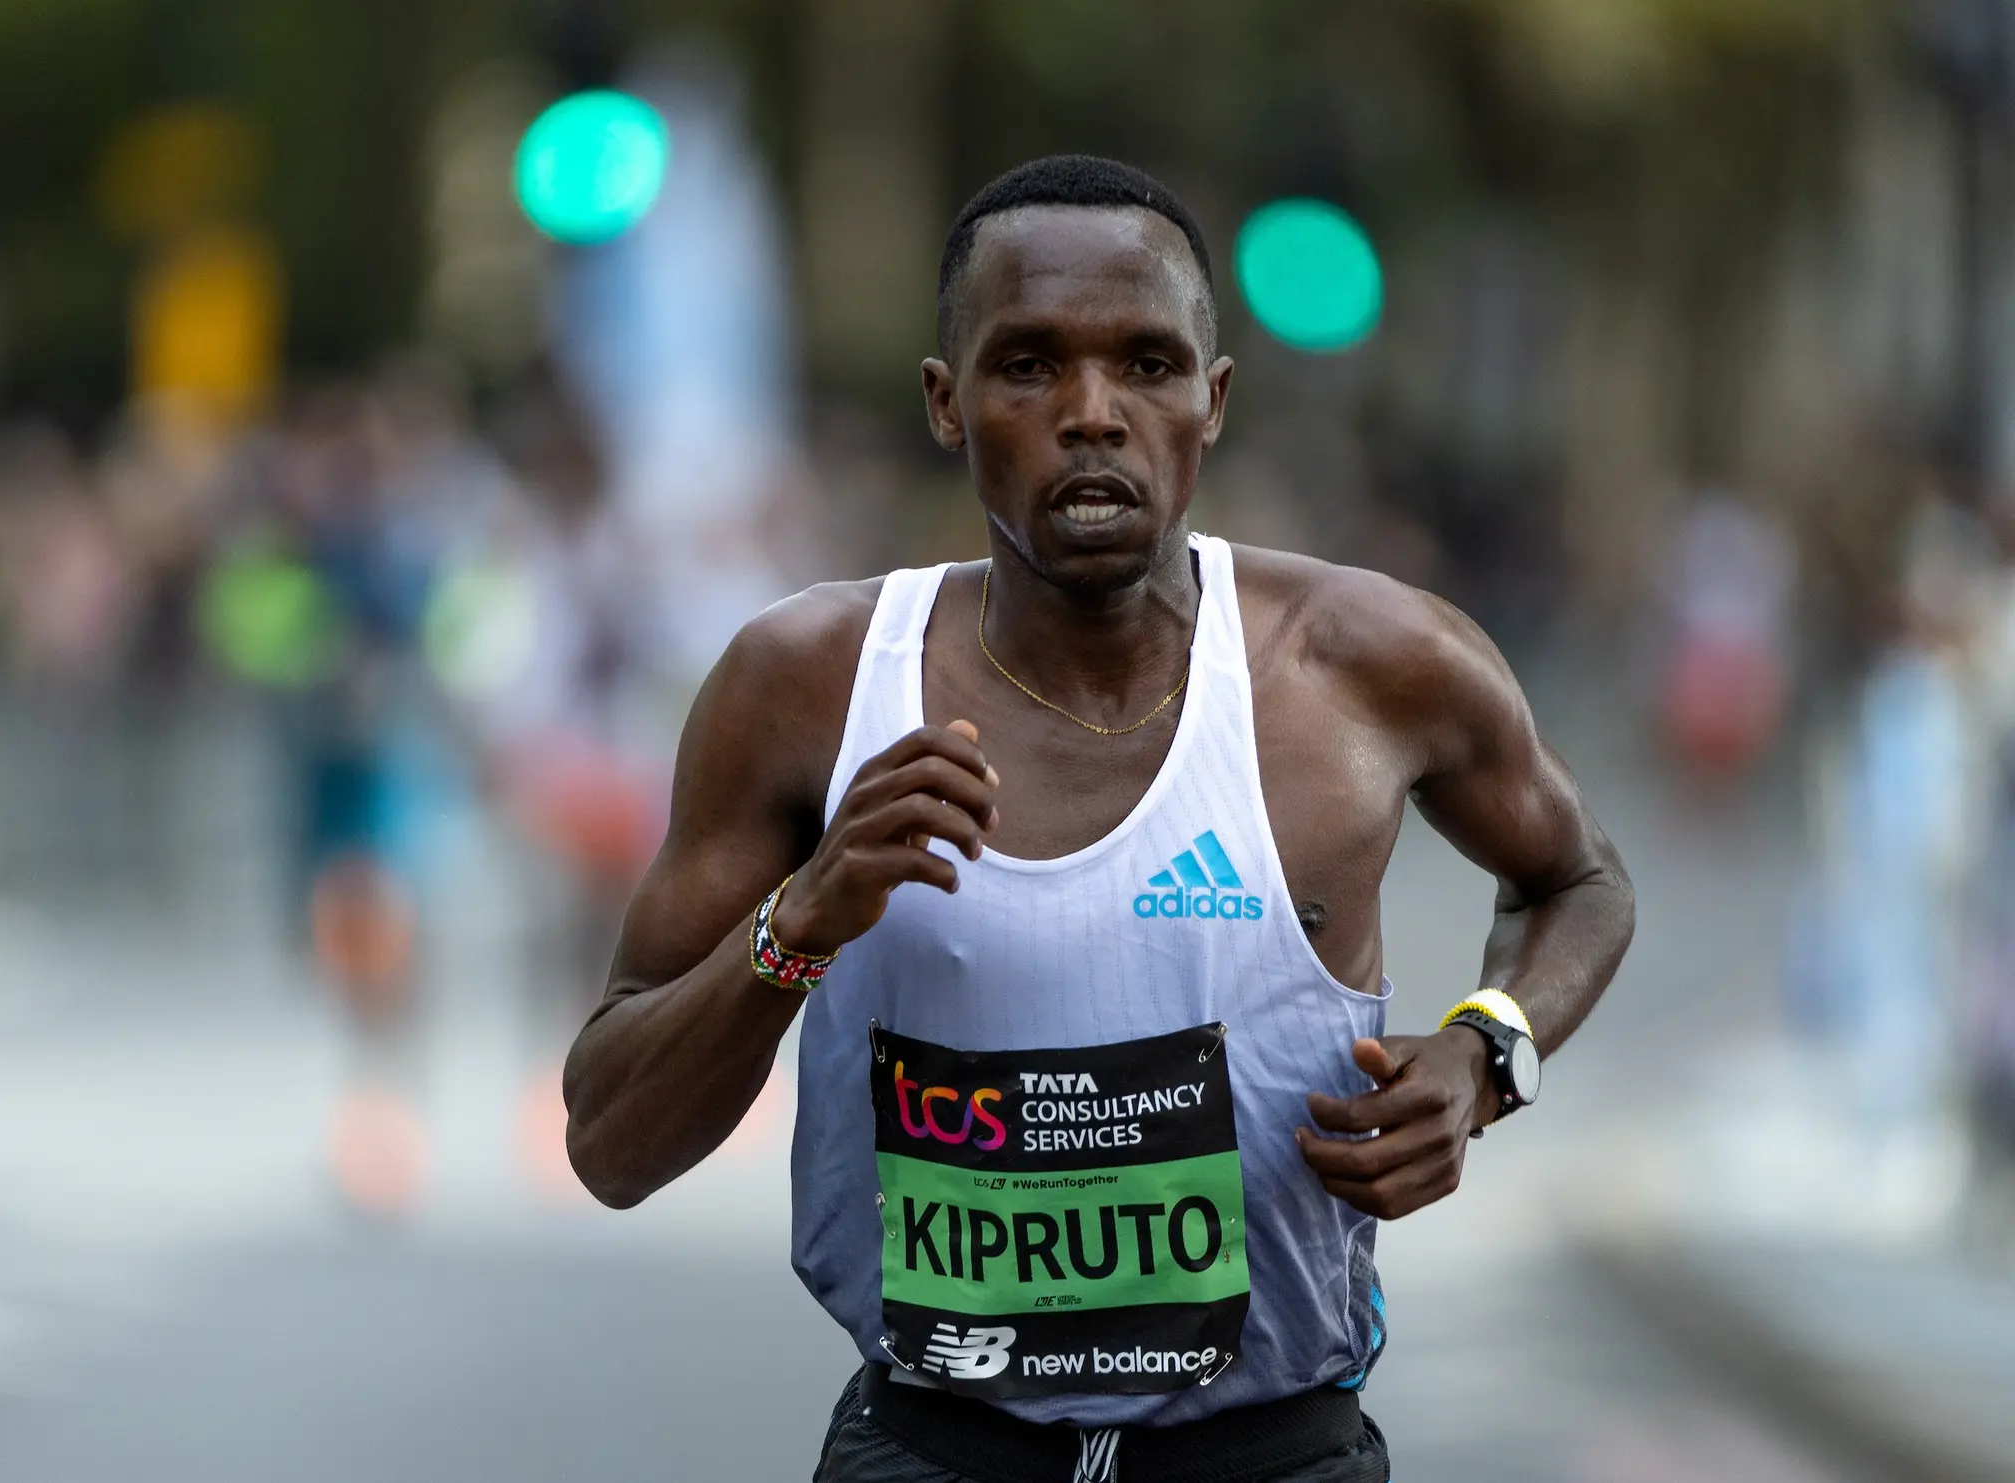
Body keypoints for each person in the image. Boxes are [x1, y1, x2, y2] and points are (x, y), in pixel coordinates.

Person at [563, 156, 1634, 1483]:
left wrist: (1486, 1053)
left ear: (1212, 400)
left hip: (1272, 1455)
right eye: (1028, 366)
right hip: (936, 1451)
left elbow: (1579, 878)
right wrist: (803, 920)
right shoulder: (812, 686)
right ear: (946, 404)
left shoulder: (1368, 663)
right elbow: (610, 1144)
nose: (1091, 414)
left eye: (1147, 365)